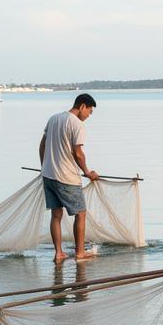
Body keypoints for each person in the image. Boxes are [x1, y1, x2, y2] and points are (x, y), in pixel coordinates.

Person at [38, 93, 99, 263]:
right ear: (82, 106)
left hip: (48, 176)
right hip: (67, 177)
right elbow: (78, 153)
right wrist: (87, 172)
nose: (88, 115)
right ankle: (80, 252)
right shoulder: (76, 124)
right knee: (80, 213)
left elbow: (42, 145)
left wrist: (43, 166)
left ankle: (59, 253)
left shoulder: (53, 118)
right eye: (89, 111)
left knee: (56, 215)